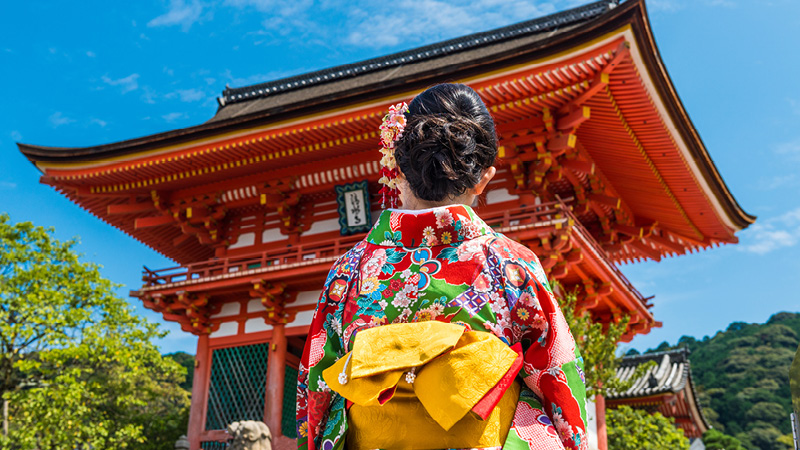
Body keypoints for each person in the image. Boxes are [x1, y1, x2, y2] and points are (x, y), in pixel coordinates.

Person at [296, 83, 587, 450]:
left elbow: (317, 390)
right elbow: (558, 379)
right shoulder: (511, 264)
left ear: (398, 167)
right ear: (485, 178)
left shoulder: (348, 270)